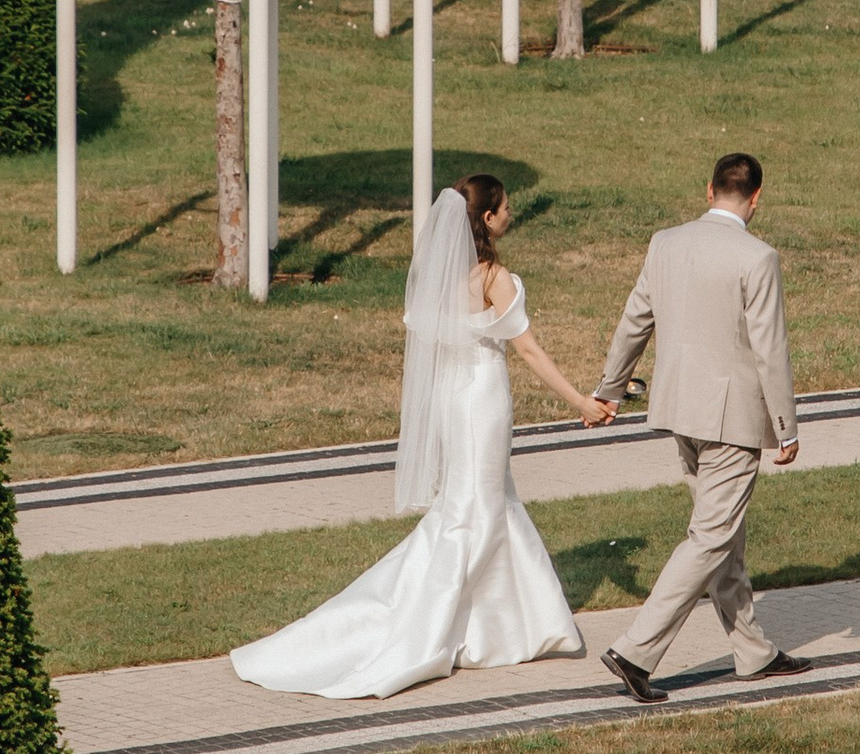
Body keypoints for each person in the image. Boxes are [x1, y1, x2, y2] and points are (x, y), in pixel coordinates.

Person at [228, 172, 608, 701]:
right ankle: (447, 627)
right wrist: (580, 402)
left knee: (477, 503)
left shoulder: (440, 274)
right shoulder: (493, 276)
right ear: (490, 218)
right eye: (506, 207)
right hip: (481, 398)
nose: (511, 213)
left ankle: (492, 626)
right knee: (478, 508)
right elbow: (529, 351)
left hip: (455, 398)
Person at [591, 150, 807, 704]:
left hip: (676, 411)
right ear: (756, 198)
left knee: (721, 535)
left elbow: (635, 318)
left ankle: (752, 651)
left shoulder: (666, 242)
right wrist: (786, 426)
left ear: (708, 190)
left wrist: (610, 389)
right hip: (731, 421)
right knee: (710, 536)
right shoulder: (758, 257)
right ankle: (636, 651)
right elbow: (771, 349)